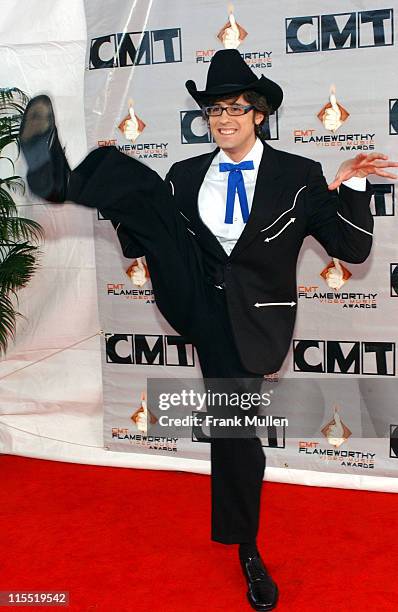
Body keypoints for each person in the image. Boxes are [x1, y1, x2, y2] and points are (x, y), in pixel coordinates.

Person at [19, 49, 397, 611]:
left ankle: (247, 549)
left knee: (235, 434)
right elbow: (147, 233)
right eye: (214, 110)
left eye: (235, 109)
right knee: (140, 183)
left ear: (259, 114)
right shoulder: (186, 173)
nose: (223, 119)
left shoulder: (299, 176)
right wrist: (128, 210)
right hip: (192, 293)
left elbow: (353, 248)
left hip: (250, 321)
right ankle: (57, 180)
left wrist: (353, 191)